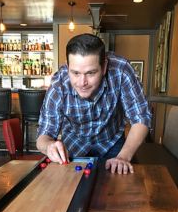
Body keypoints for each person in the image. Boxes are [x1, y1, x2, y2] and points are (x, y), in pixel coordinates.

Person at [36, 33, 152, 174]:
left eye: (90, 73)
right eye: (75, 73)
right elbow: (43, 135)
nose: (82, 82)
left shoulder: (121, 70)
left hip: (112, 141)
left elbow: (141, 117)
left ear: (104, 67)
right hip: (74, 143)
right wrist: (49, 146)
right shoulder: (59, 85)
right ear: (67, 67)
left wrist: (123, 156)